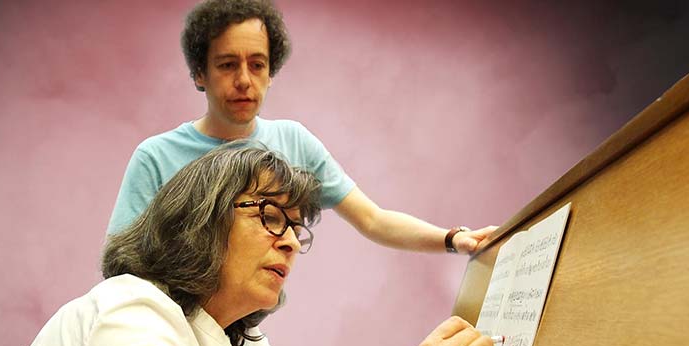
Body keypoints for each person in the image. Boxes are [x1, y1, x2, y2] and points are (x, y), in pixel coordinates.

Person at [0, 144, 507, 346]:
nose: (293, 241)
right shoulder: (128, 317)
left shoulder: (235, 338)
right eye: (271, 216)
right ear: (197, 221)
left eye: (298, 228)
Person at [106, 0, 496, 256]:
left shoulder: (293, 142)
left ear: (271, 73)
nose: (244, 80)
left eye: (257, 65)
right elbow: (121, 263)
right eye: (227, 65)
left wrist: (453, 239)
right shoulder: (155, 157)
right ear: (199, 74)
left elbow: (373, 220)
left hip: (242, 333)